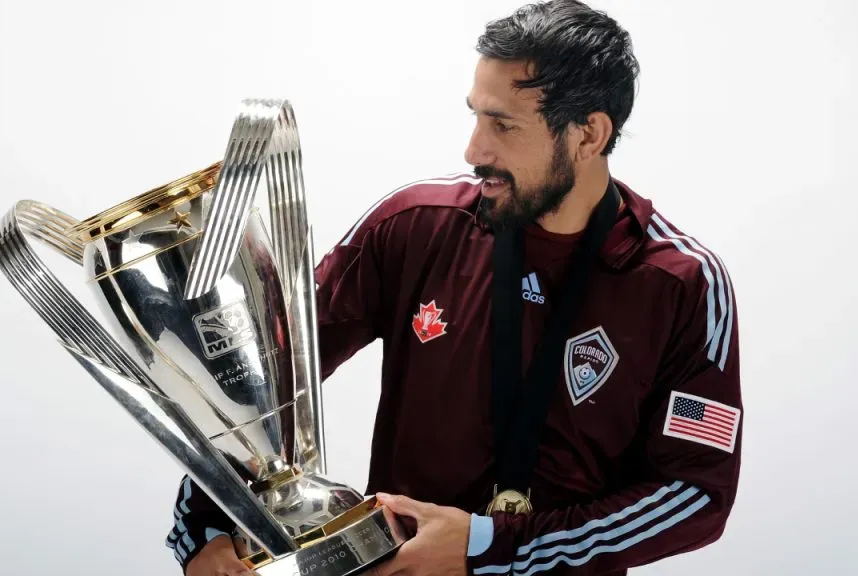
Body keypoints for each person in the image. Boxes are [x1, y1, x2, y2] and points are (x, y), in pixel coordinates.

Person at [165, 1, 743, 575]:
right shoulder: (413, 224)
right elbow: (259, 384)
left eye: (503, 125)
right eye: (476, 116)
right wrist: (208, 527)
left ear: (588, 134)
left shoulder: (684, 284)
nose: (474, 150)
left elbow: (694, 494)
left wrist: (494, 548)